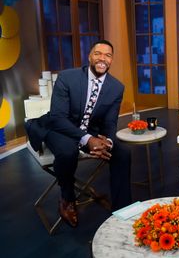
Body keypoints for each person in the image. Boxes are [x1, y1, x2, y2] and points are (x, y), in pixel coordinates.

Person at [27, 40, 131, 227]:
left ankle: (122, 209)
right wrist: (87, 139)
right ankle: (67, 198)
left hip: (89, 130)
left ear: (112, 60)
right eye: (98, 53)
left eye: (108, 55)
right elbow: (58, 117)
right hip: (58, 127)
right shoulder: (68, 77)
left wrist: (106, 141)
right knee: (68, 152)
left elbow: (110, 122)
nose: (102, 58)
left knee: (122, 154)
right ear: (90, 56)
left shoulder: (116, 87)